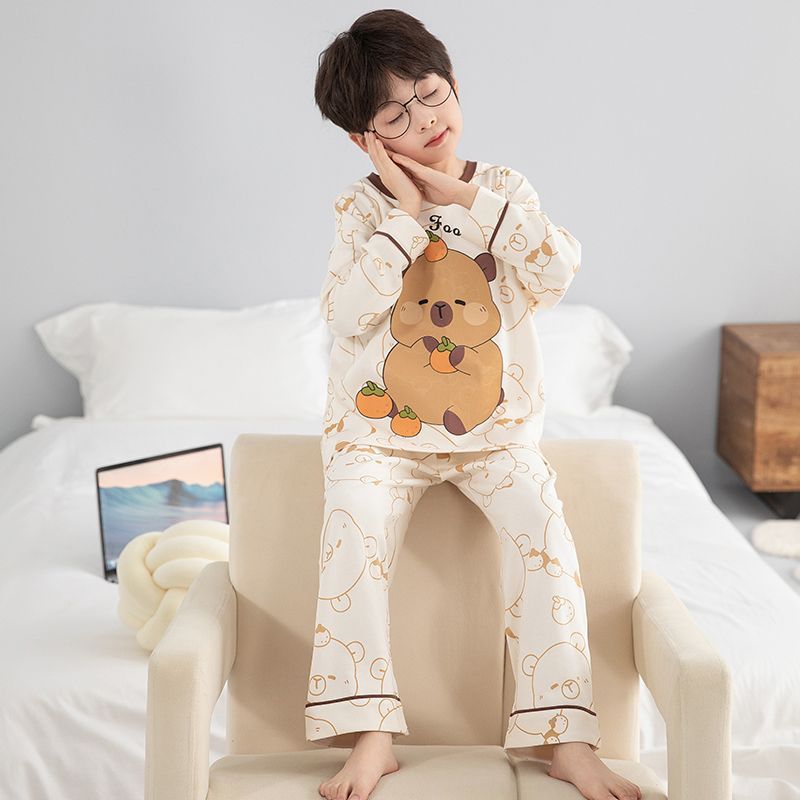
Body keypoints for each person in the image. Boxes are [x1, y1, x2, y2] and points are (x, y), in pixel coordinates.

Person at [307, 10, 642, 800]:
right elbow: (347, 315)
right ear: (364, 138)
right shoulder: (360, 210)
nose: (424, 119)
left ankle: (565, 740)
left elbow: (554, 272)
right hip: (376, 435)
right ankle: (372, 737)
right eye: (395, 114)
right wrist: (403, 216)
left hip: (498, 435)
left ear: (454, 85)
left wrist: (463, 198)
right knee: (351, 531)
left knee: (545, 540)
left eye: (431, 93)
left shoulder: (504, 193)